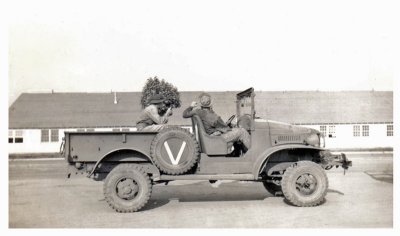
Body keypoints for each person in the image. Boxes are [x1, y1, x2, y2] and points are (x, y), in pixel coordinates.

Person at [182, 92, 251, 152]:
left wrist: (191, 106)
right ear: (210, 105)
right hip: (215, 139)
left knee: (236, 131)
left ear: (201, 104)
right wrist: (231, 126)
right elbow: (226, 129)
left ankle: (236, 153)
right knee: (242, 131)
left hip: (210, 137)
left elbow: (184, 114)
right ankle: (252, 152)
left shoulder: (198, 111)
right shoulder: (213, 117)